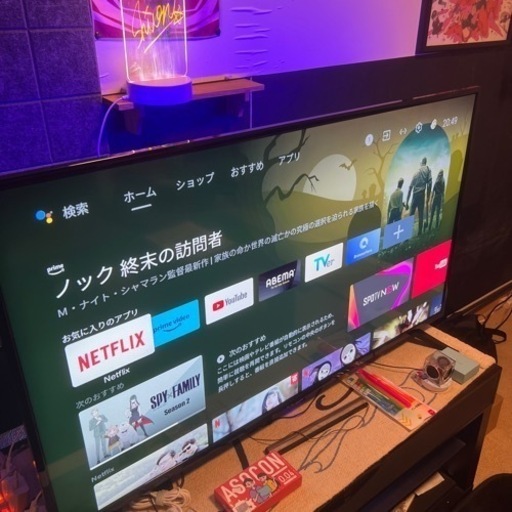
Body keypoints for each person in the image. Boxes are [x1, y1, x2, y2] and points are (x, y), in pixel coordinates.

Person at [406, 157, 432, 235]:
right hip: (421, 195)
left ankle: (407, 234)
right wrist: (428, 196)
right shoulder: (428, 170)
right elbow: (430, 184)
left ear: (421, 163)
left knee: (411, 215)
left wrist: (407, 202)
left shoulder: (416, 173)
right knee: (421, 214)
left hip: (414, 196)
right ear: (425, 162)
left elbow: (410, 188)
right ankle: (420, 232)